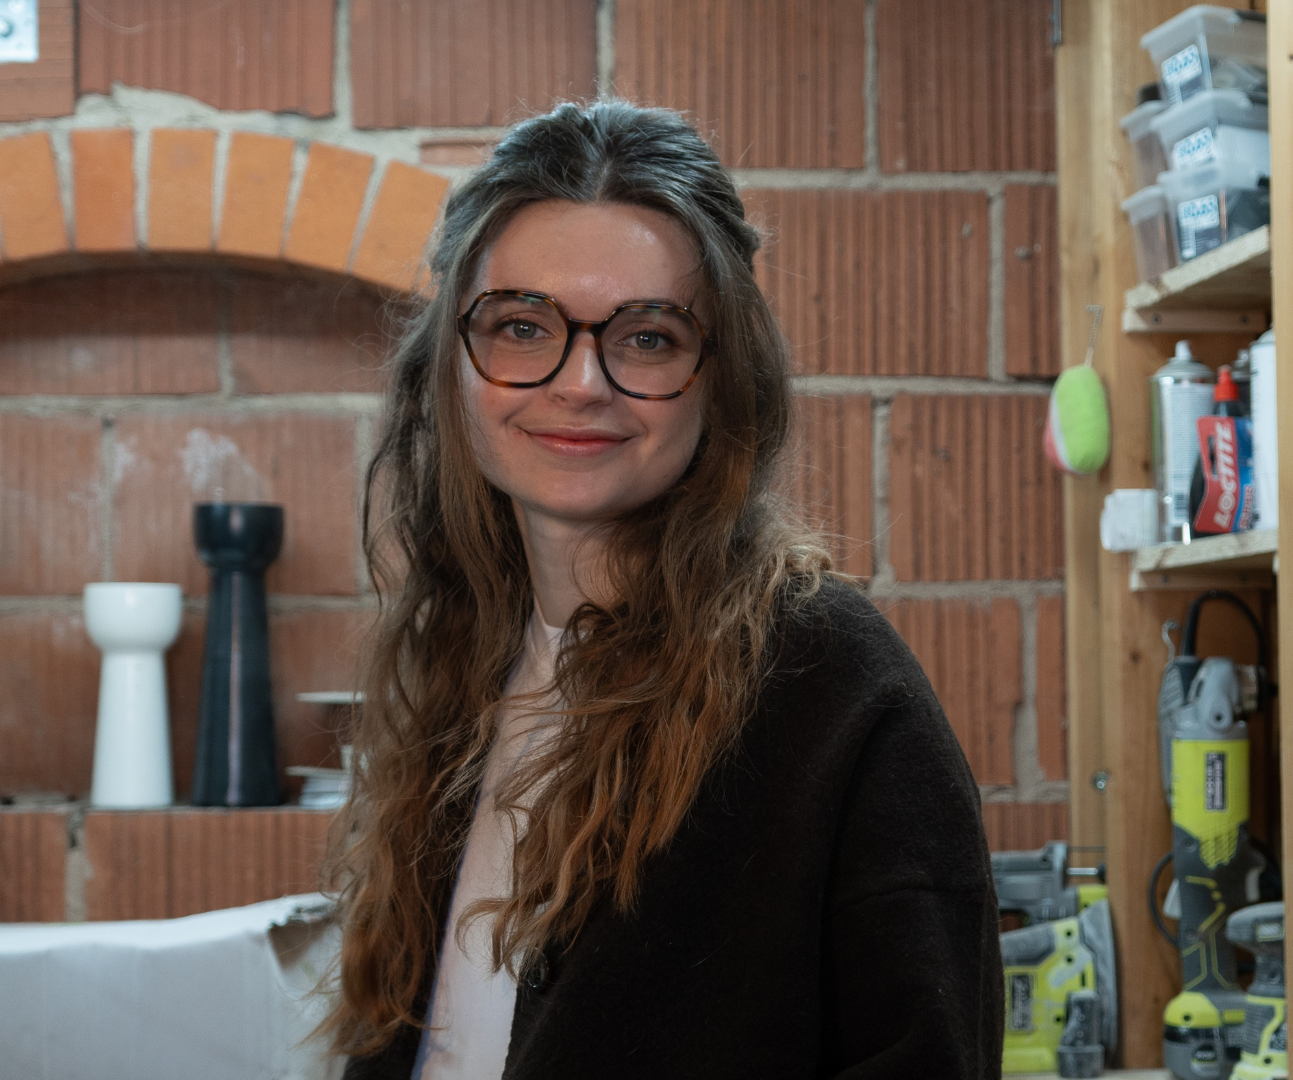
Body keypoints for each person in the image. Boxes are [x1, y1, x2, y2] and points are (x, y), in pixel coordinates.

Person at [323, 100, 1002, 1079]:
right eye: (522, 326)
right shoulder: (458, 671)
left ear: (722, 376)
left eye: (647, 338)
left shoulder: (832, 691)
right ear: (454, 365)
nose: (581, 382)